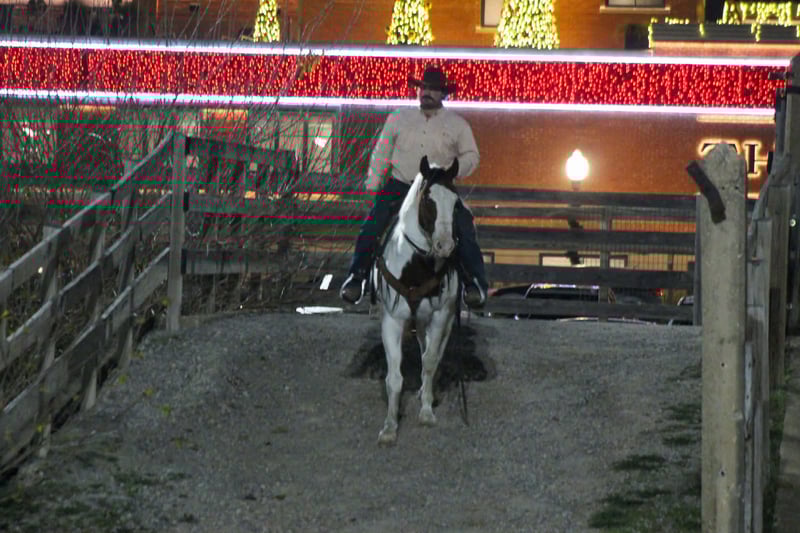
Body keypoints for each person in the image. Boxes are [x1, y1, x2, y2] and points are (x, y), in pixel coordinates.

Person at [339, 65, 489, 308]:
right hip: (400, 184)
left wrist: (451, 172)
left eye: (433, 89)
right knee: (373, 225)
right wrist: (373, 185)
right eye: (423, 87)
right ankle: (357, 278)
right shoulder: (398, 118)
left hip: (438, 187)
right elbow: (381, 152)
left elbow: (472, 155)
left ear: (443, 94)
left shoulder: (458, 125)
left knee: (463, 226)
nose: (426, 92)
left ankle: (474, 283)